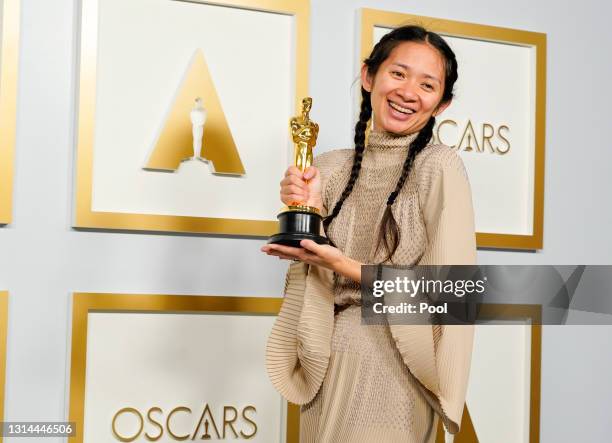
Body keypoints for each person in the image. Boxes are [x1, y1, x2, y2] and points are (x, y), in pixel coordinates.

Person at [261, 25, 476, 443]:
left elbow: (452, 290)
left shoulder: (439, 166)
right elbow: (313, 276)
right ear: (368, 76)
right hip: (325, 360)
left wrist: (343, 264)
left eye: (427, 84)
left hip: (394, 366)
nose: (409, 91)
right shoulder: (330, 165)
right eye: (398, 73)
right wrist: (309, 213)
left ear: (442, 103)